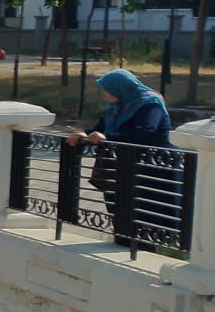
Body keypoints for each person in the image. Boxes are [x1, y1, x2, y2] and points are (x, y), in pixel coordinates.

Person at [66, 69, 177, 246]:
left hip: (151, 167)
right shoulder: (116, 107)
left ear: (120, 88)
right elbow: (102, 128)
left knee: (145, 212)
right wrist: (83, 134)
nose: (106, 94)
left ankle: (145, 247)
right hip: (121, 165)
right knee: (121, 209)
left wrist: (110, 139)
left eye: (108, 89)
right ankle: (123, 239)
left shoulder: (150, 104)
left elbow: (145, 130)